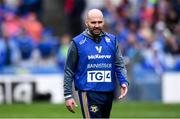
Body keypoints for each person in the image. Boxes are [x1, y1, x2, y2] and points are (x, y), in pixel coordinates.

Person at [64, 8, 129, 118]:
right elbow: (69, 70)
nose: (97, 25)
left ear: (103, 22)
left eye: (99, 22)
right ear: (86, 23)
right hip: (88, 93)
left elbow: (119, 64)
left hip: (108, 92)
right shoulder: (77, 42)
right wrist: (68, 95)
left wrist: (123, 81)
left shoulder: (112, 40)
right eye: (93, 22)